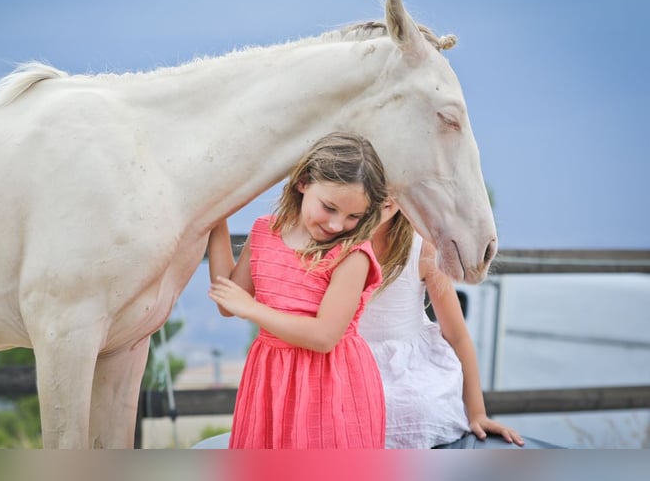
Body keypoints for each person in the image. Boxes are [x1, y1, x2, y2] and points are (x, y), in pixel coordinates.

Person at [206, 131, 389, 448]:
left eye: (353, 216)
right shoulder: (265, 232)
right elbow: (228, 301)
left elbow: (323, 336)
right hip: (271, 381)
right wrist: (215, 217)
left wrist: (252, 309)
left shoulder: (353, 254)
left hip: (331, 386)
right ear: (303, 181)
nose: (336, 225)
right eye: (329, 207)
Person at [358, 196, 525, 449]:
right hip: (351, 361)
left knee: (415, 405)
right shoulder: (333, 240)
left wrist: (477, 413)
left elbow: (456, 335)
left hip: (406, 368)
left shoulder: (421, 248)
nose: (384, 193)